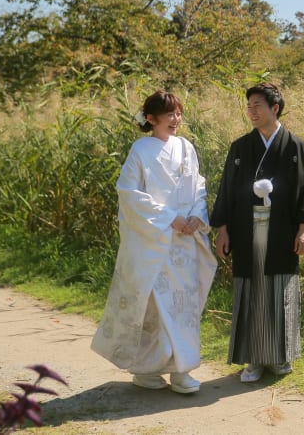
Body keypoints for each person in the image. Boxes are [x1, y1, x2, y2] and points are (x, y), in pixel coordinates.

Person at [91, 90, 217, 394]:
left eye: (179, 113)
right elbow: (129, 192)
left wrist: (197, 216)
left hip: (184, 240)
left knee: (183, 307)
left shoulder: (186, 147)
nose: (176, 119)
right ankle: (148, 369)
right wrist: (169, 217)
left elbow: (198, 186)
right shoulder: (141, 150)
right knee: (155, 309)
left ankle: (180, 370)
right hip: (154, 239)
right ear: (151, 119)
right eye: (170, 114)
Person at [211, 82, 304, 383]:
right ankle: (253, 360)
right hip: (245, 229)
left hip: (281, 230)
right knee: (250, 291)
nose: (251, 110)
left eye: (257, 105)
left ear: (275, 108)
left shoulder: (294, 146)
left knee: (280, 290)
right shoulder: (240, 148)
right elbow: (226, 190)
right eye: (249, 105)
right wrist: (222, 230)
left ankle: (278, 358)